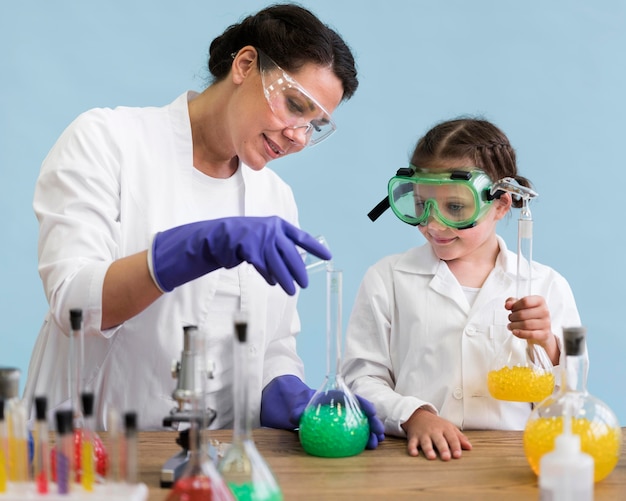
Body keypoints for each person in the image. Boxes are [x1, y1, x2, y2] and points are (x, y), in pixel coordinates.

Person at [24, 3, 383, 447]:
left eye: (314, 126)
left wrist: (290, 394)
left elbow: (270, 345)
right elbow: (73, 303)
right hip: (91, 449)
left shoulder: (274, 198)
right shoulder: (106, 141)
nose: (298, 136)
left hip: (215, 458)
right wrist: (197, 247)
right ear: (246, 64)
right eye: (295, 106)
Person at [343, 118, 580, 460]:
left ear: (501, 203)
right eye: (422, 205)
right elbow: (360, 379)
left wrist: (549, 344)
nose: (433, 223)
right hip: (415, 459)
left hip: (513, 461)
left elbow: (574, 394)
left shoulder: (546, 285)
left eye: (455, 207)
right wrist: (413, 415)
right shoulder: (388, 279)